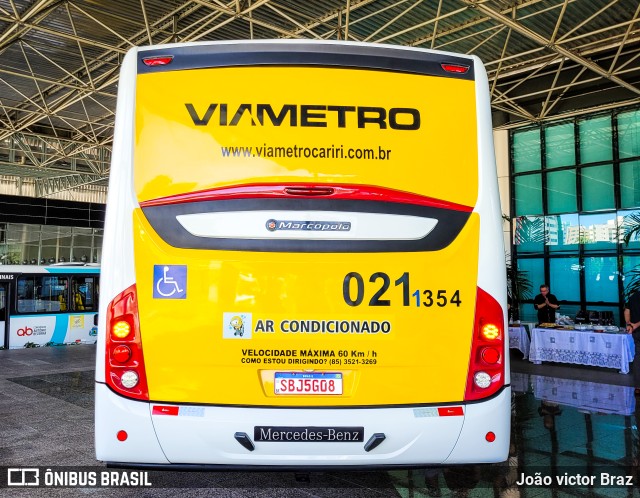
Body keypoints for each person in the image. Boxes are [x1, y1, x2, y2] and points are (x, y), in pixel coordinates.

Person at [623, 290, 640, 396]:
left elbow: (626, 311)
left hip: (636, 333)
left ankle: (638, 386)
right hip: (637, 328)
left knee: (638, 357)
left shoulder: (634, 296)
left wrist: (629, 324)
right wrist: (637, 325)